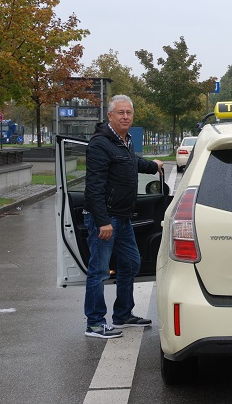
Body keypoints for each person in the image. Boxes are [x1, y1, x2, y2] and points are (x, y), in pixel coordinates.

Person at [83, 94, 163, 339]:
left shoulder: (124, 141)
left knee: (131, 263)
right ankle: (95, 323)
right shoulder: (100, 144)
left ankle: (123, 315)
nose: (126, 116)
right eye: (121, 112)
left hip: (123, 217)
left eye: (129, 113)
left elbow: (130, 162)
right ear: (110, 115)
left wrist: (153, 166)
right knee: (98, 271)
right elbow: (93, 188)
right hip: (106, 219)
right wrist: (103, 221)